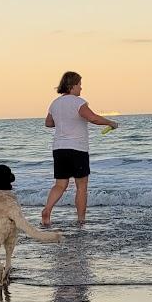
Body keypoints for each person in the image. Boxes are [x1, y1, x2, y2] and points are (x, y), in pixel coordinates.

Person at [40, 71, 117, 226]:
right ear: (72, 86)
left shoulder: (55, 103)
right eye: (79, 85)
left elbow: (48, 123)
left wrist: (64, 121)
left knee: (60, 184)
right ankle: (81, 220)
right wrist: (111, 123)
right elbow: (92, 117)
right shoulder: (78, 102)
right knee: (81, 187)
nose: (81, 88)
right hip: (77, 149)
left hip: (59, 149)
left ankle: (47, 209)